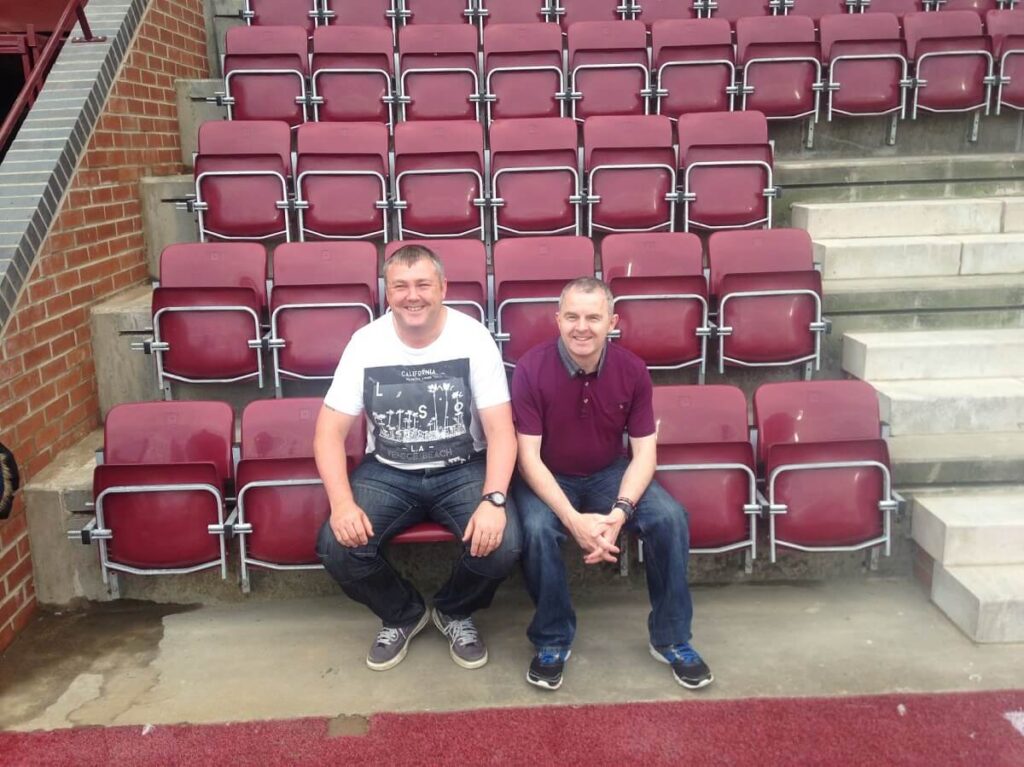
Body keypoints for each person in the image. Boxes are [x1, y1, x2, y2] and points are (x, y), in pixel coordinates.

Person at [314, 244, 520, 672]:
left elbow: (502, 431)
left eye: (423, 284)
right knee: (337, 545)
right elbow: (328, 434)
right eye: (400, 286)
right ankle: (404, 613)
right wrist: (342, 503)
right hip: (388, 470)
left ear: (443, 287)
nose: (413, 295)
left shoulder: (472, 337)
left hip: (464, 467)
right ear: (387, 293)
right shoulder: (366, 342)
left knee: (505, 544)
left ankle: (453, 610)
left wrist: (494, 500)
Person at [510, 276, 713, 692]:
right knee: (534, 528)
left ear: (612, 321)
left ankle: (672, 638)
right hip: (549, 475)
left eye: (593, 317)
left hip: (607, 474)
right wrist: (573, 520)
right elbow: (528, 459)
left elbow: (645, 455)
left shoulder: (632, 370)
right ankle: (552, 639)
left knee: (669, 518)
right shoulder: (531, 368)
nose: (581, 327)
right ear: (557, 320)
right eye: (572, 316)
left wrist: (618, 514)